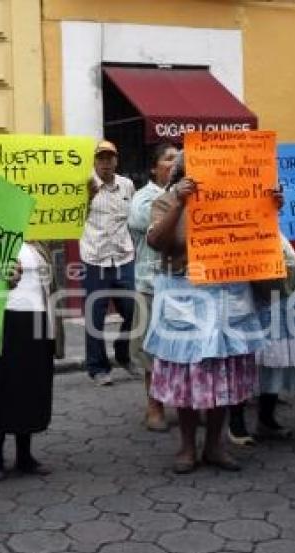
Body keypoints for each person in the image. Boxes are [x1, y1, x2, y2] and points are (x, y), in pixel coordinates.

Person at [143, 151, 271, 473]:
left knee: (224, 371)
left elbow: (257, 235)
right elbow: (157, 242)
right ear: (185, 172)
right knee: (188, 373)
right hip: (185, 294)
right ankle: (187, 447)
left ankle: (215, 445)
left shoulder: (235, 197)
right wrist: (181, 204)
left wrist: (271, 208)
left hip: (229, 292)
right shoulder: (167, 199)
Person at [0, 241, 64, 481]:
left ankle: (25, 455)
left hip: (36, 322)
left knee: (30, 388)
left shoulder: (40, 245)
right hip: (0, 323)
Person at [128, 142, 179, 431]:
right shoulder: (143, 198)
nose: (174, 163)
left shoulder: (185, 193)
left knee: (181, 348)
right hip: (151, 284)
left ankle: (185, 403)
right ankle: (154, 407)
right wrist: (177, 199)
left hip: (182, 283)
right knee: (151, 349)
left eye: (178, 159)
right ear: (153, 167)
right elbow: (144, 222)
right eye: (168, 158)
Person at [81, 140, 137, 385]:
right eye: (101, 158)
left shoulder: (127, 185)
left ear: (116, 160)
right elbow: (71, 219)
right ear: (94, 161)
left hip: (124, 257)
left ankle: (124, 354)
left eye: (109, 158)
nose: (105, 163)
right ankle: (98, 368)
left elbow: (133, 219)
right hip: (95, 259)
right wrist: (87, 198)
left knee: (133, 311)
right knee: (95, 317)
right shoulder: (85, 186)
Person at [253, 236, 295, 439]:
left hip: (284, 281)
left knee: (276, 355)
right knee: (251, 354)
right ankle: (235, 422)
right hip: (252, 276)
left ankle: (266, 417)